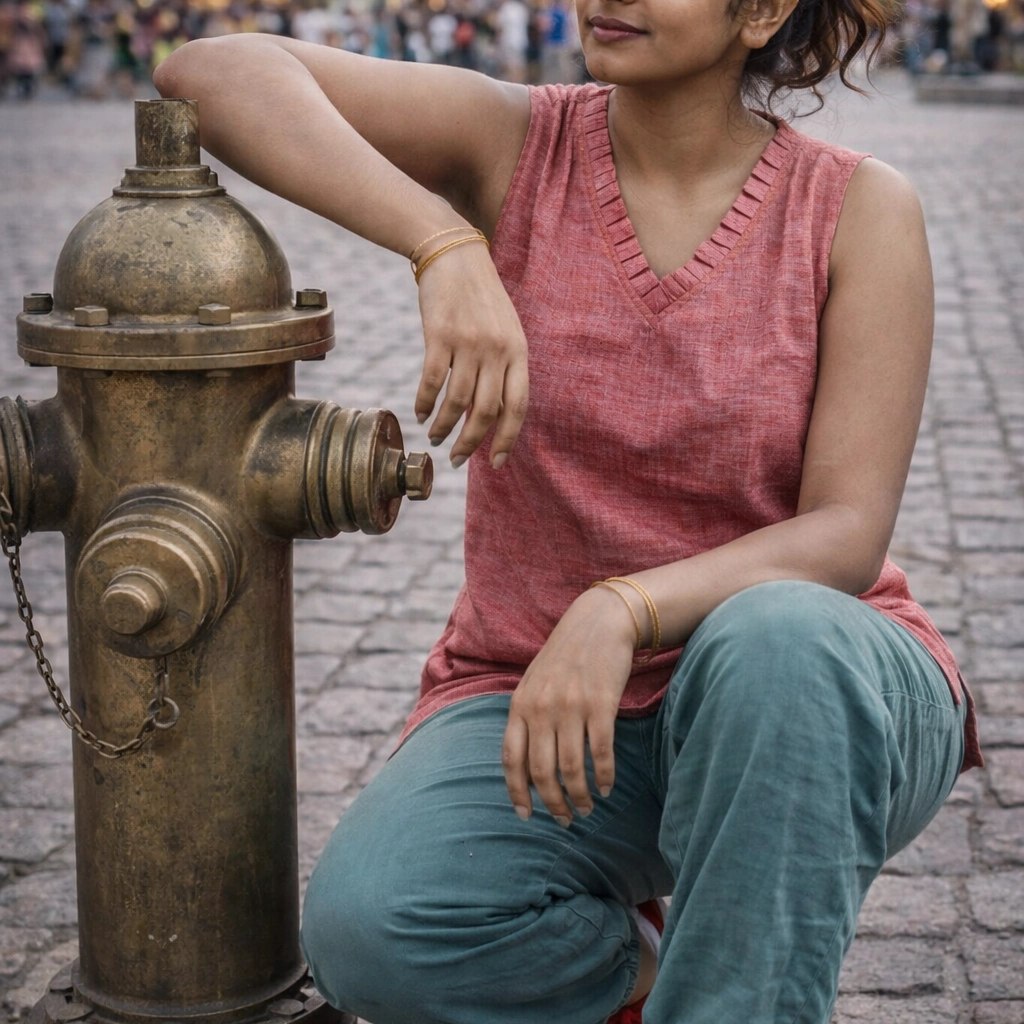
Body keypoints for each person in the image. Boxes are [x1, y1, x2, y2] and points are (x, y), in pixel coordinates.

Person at [153, 0, 983, 1017]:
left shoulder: (855, 209)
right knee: (374, 928)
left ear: (761, 12)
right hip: (545, 698)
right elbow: (211, 71)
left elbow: (845, 537)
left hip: (812, 699)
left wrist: (619, 606)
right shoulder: (514, 144)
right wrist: (443, 245)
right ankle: (649, 969)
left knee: (777, 638)